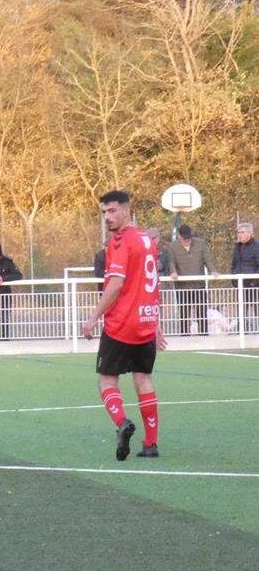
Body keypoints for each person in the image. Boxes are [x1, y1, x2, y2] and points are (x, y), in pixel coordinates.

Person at [82, 190, 167, 459]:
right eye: (104, 212)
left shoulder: (119, 242)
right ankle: (151, 444)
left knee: (107, 380)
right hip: (145, 322)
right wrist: (156, 323)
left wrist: (94, 316)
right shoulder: (147, 240)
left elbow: (116, 284)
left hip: (121, 324)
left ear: (127, 210)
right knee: (143, 378)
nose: (107, 217)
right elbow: (151, 284)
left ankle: (121, 423)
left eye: (113, 211)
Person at [168, 224, 216, 335]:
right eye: (184, 238)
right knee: (184, 313)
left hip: (199, 285)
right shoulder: (172, 246)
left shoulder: (201, 243)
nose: (187, 241)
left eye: (189, 238)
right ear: (179, 236)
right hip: (182, 286)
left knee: (201, 312)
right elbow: (171, 262)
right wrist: (173, 272)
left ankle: (204, 335)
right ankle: (184, 336)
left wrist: (212, 270)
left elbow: (208, 259)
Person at [230, 222, 259, 333]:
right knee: (242, 309)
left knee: (257, 308)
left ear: (250, 233)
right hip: (240, 285)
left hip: (255, 286)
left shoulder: (257, 246)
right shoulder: (237, 247)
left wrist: (254, 282)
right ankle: (242, 331)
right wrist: (234, 279)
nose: (239, 235)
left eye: (242, 232)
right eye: (238, 232)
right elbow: (234, 264)